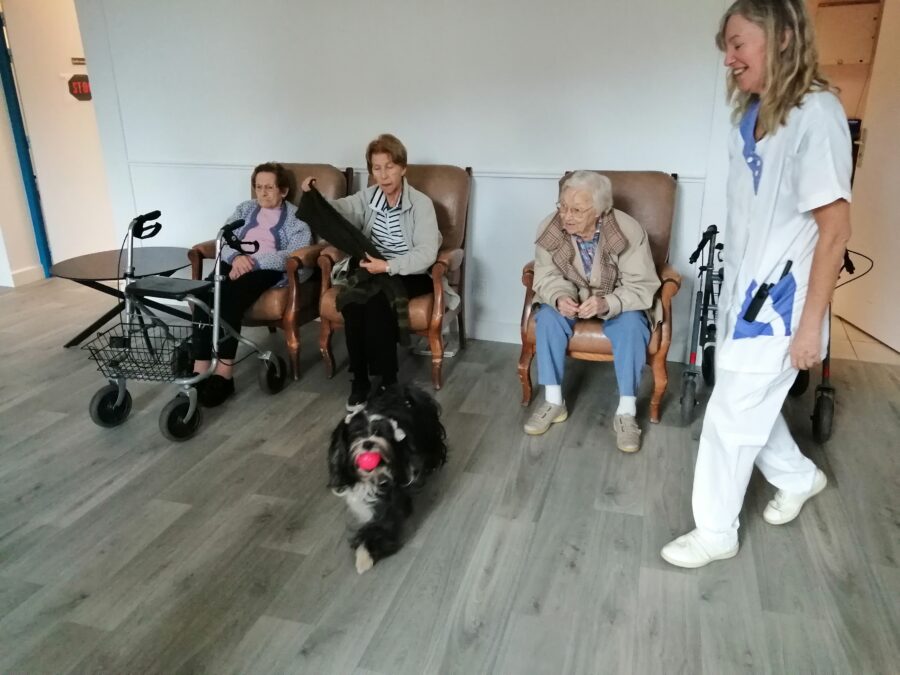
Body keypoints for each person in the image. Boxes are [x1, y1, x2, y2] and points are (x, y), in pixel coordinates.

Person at [662, 0, 852, 568]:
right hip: (745, 291)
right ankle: (799, 477)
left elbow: (835, 230)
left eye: (739, 43)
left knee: (730, 413)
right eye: (727, 46)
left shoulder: (816, 115)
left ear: (784, 37)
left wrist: (811, 327)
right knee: (745, 398)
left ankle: (715, 531)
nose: (729, 58)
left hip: (782, 304)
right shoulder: (748, 115)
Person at [301, 134, 455, 411]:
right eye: (377, 168)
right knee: (352, 302)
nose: (383, 175)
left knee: (376, 302)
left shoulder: (421, 204)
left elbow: (426, 254)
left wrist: (387, 266)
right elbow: (339, 211)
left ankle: (388, 381)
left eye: (389, 167)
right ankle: (360, 380)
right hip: (373, 268)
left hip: (410, 272)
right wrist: (314, 196)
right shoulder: (369, 197)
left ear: (403, 168)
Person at [524, 171, 660, 452]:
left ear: (599, 210)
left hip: (619, 300)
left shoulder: (628, 230)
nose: (566, 215)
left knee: (632, 325)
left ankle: (626, 412)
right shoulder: (549, 228)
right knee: (547, 317)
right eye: (562, 206)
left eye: (576, 210)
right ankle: (553, 401)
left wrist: (607, 302)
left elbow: (641, 285)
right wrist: (560, 296)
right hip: (573, 297)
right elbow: (546, 275)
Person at [191, 162, 312, 407]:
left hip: (266, 268)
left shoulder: (297, 219)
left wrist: (253, 262)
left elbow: (292, 254)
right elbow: (224, 239)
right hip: (234, 262)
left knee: (228, 300)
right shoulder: (244, 209)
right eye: (258, 187)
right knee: (203, 296)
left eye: (269, 187)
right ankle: (199, 370)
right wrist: (237, 258)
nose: (263, 193)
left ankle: (224, 375)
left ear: (283, 191)